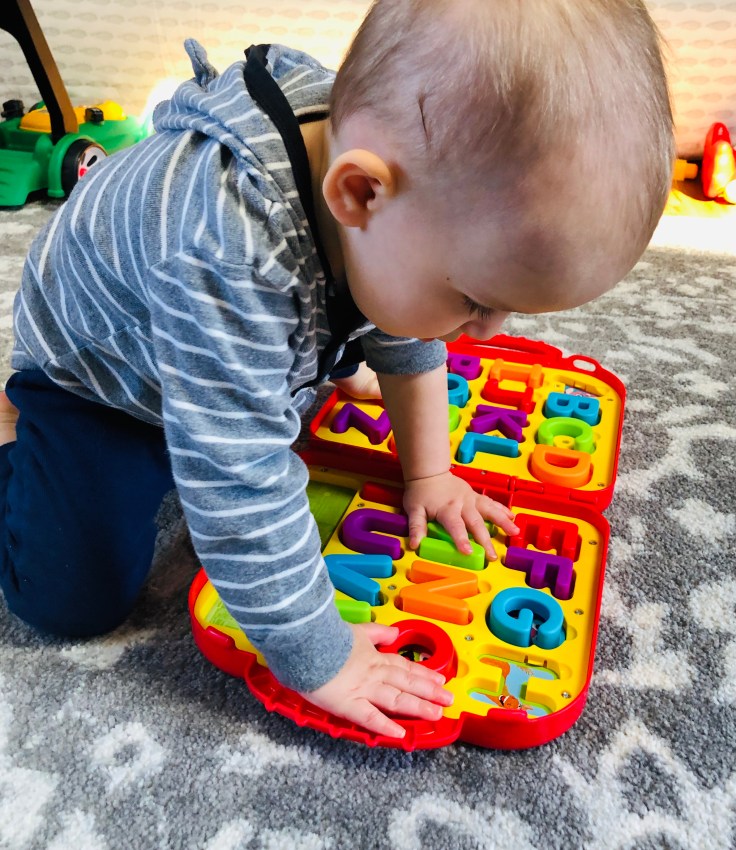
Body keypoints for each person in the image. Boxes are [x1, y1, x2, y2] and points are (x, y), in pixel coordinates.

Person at [0, 0, 673, 739]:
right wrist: (319, 657)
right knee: (73, 598)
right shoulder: (229, 254)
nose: (486, 333)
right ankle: (12, 434)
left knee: (395, 303)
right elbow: (239, 480)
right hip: (101, 375)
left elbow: (404, 327)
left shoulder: (389, 166)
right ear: (359, 193)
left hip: (217, 330)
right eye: (477, 301)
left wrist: (430, 473)